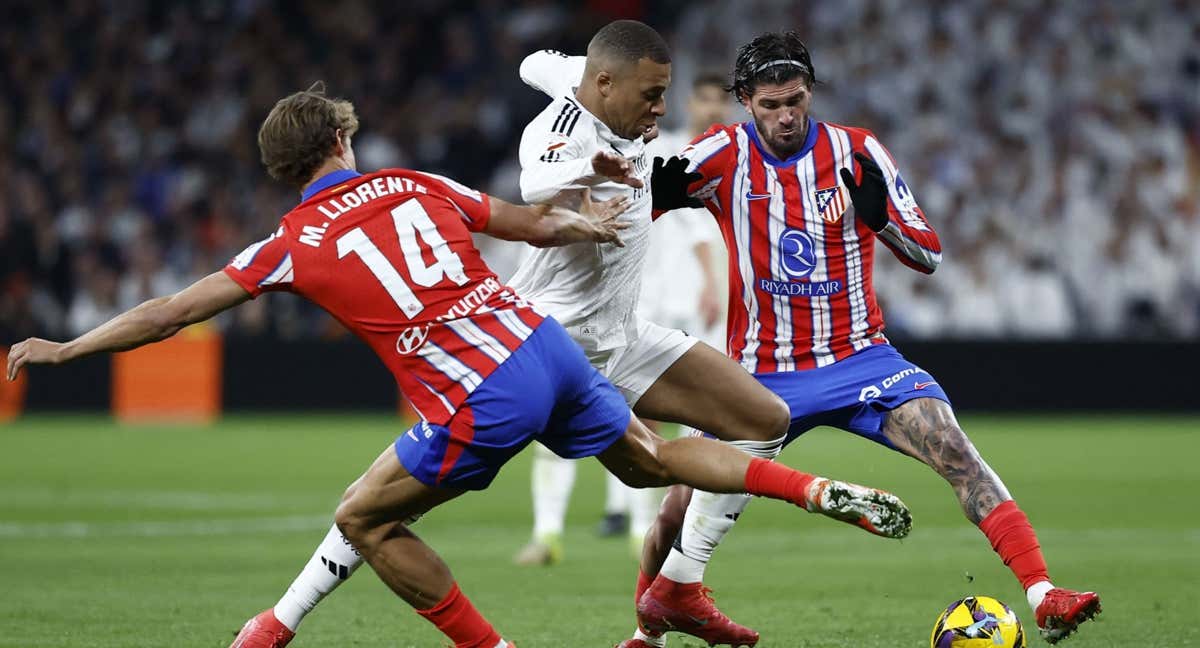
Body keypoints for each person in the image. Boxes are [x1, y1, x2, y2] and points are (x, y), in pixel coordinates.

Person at [6, 81, 912, 648]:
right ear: (341, 145)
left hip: (477, 395)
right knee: (651, 458)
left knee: (363, 519)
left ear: (290, 170)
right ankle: (813, 490)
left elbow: (172, 313)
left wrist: (70, 345)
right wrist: (584, 223)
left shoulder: (287, 243)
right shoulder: (413, 182)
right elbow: (528, 220)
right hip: (543, 344)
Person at [596, 31, 1101, 647]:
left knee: (954, 450)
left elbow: (930, 253)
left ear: (810, 93)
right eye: (771, 105)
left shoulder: (857, 152)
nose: (786, 117)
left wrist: (881, 218)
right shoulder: (718, 154)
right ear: (745, 101)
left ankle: (1044, 595)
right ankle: (648, 636)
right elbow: (624, 216)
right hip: (759, 370)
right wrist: (644, 195)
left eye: (796, 101)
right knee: (674, 512)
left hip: (862, 359)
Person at [514, 70, 733, 564]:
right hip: (623, 300)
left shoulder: (722, 156)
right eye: (703, 97)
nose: (712, 109)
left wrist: (716, 285)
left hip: (678, 305)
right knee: (578, 413)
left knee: (662, 421)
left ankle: (647, 528)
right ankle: (554, 530)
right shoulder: (660, 145)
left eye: (721, 101)